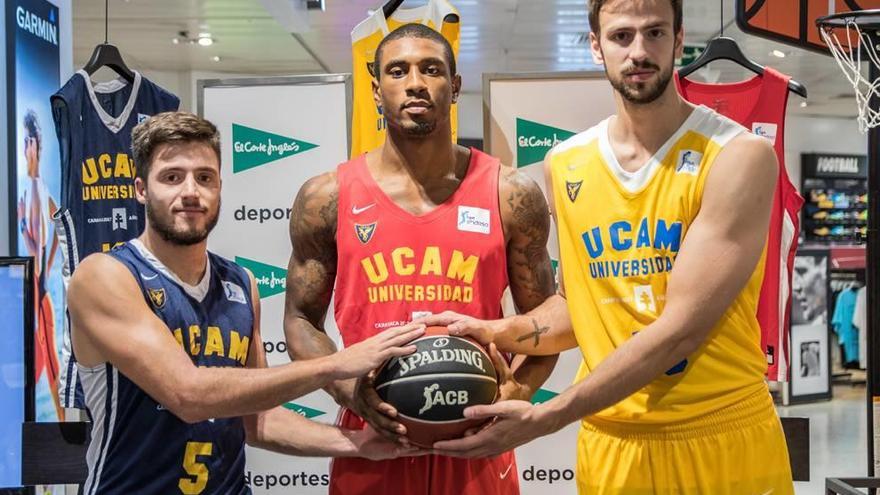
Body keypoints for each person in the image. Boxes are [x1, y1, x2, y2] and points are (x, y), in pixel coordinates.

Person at [422, 1, 795, 493]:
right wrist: (495, 330)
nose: (639, 51)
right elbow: (582, 307)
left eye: (655, 33)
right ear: (596, 46)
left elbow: (679, 331)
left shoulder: (738, 155)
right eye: (621, 36)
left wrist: (547, 416)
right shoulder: (566, 163)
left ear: (679, 41)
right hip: (612, 443)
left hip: (719, 432)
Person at [67, 112, 425, 495]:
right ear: (141, 189)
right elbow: (187, 395)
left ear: (220, 186)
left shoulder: (240, 283)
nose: (190, 191)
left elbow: (258, 421)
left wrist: (360, 444)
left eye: (204, 178)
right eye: (172, 177)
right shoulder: (106, 276)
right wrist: (335, 365)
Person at [284, 23, 558, 495]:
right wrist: (352, 392)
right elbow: (300, 320)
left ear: (454, 87)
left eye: (431, 69)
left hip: (477, 442)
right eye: (398, 70)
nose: (415, 82)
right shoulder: (326, 197)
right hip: (373, 438)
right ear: (375, 89)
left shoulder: (510, 194)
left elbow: (547, 319)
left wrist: (519, 390)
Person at [18, 110, 62, 420]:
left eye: (27, 142)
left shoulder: (35, 189)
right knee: (40, 361)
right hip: (37, 286)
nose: (24, 148)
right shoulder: (33, 190)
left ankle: (61, 427)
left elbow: (42, 241)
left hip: (37, 289)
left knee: (44, 362)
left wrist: (42, 271)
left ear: (34, 145)